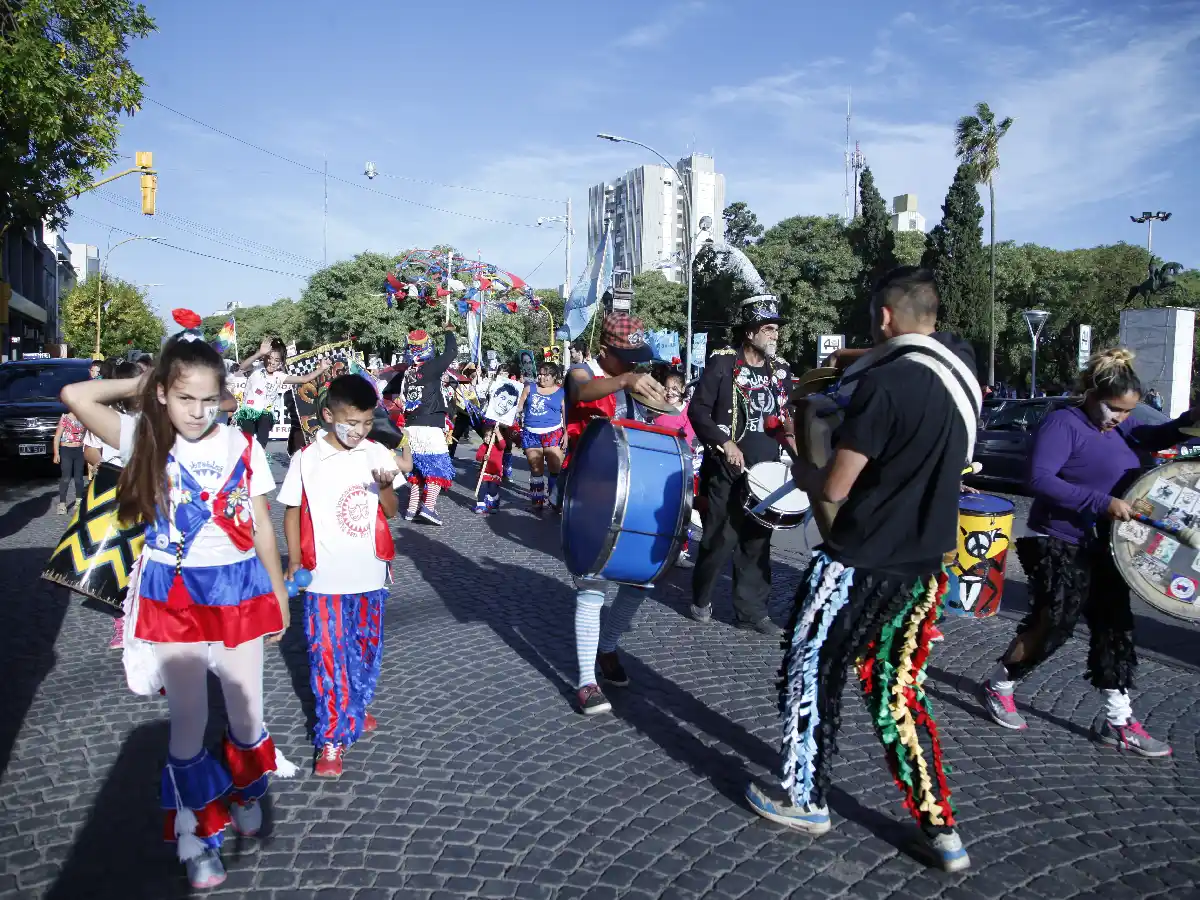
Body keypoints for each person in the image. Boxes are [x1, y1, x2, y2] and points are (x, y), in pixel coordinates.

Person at [744, 267, 980, 872]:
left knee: (810, 670)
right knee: (899, 695)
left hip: (857, 564)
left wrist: (801, 471)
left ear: (883, 317)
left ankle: (805, 798)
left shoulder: (889, 387)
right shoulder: (962, 381)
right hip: (923, 567)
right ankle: (941, 829)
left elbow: (838, 486)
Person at [60, 332, 292, 890]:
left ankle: (245, 790)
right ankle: (197, 836)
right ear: (163, 394)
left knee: (245, 714)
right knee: (189, 722)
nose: (197, 411)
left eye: (208, 399)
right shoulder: (143, 433)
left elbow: (260, 521)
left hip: (239, 586)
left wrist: (279, 591)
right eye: (185, 398)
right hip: (174, 591)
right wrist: (147, 383)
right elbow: (75, 395)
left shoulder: (243, 444)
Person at [979, 348, 1196, 757]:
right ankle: (1000, 683)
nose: (1120, 418)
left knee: (1115, 628)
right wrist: (1101, 502)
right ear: (1093, 394)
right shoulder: (1064, 422)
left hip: (1109, 545)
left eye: (1128, 412)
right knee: (1054, 621)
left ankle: (1119, 719)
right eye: (1114, 409)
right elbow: (1039, 479)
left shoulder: (1119, 427)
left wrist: (1187, 423)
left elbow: (1154, 437)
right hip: (1057, 540)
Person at [278, 375, 410, 777]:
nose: (359, 431)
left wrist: (386, 487)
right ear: (327, 416)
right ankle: (332, 737)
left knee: (366, 650)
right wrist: (294, 560)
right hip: (324, 581)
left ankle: (356, 703)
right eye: (350, 422)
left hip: (370, 576)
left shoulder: (376, 453)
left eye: (367, 423)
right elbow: (292, 511)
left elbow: (390, 513)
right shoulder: (306, 459)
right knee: (329, 656)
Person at [563, 312, 668, 714]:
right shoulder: (580, 370)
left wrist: (665, 406)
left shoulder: (632, 378)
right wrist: (624, 381)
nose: (634, 367)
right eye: (627, 359)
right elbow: (581, 393)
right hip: (588, 495)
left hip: (634, 491)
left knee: (640, 579)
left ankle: (608, 647)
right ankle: (586, 681)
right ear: (604, 351)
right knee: (592, 587)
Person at [688, 296, 794, 635]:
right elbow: (698, 411)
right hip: (726, 470)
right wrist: (725, 442)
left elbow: (786, 418)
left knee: (757, 541)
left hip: (766, 472)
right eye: (768, 329)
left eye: (776, 329)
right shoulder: (723, 364)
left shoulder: (781, 372)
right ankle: (701, 597)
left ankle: (752, 612)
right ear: (749, 333)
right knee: (720, 538)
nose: (775, 335)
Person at [82, 360, 143, 649]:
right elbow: (90, 450)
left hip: (147, 491)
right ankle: (121, 622)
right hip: (114, 490)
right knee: (118, 560)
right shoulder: (104, 415)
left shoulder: (154, 415)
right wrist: (111, 466)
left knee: (144, 558)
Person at [398, 324, 457, 525]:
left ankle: (412, 508)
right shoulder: (430, 369)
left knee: (416, 468)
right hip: (430, 426)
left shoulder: (408, 373)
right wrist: (449, 331)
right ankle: (429, 507)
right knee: (437, 468)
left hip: (411, 427)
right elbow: (451, 352)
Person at [234, 338, 328, 448]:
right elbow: (242, 367)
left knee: (263, 431)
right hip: (249, 411)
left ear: (281, 362)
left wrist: (321, 369)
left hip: (266, 413)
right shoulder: (256, 368)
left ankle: (260, 454)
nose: (272, 362)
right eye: (269, 358)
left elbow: (303, 379)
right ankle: (246, 457)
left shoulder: (279, 376)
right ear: (264, 357)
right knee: (247, 441)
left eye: (276, 360)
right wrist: (259, 353)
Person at [517, 362, 566, 509]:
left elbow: (566, 415)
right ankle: (537, 500)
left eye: (546, 375)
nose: (541, 377)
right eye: (540, 373)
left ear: (554, 377)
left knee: (555, 467)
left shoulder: (562, 392)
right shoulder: (529, 388)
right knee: (535, 468)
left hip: (554, 433)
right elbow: (519, 407)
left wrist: (567, 434)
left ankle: (555, 500)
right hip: (531, 433)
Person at [53, 409, 87, 515]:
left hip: (79, 451)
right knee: (66, 477)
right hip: (66, 450)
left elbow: (87, 435)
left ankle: (79, 501)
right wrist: (56, 453)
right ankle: (62, 503)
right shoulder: (65, 418)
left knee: (78, 478)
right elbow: (57, 436)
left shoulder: (84, 417)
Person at [474, 422, 507, 514]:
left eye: (489, 436)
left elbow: (503, 444)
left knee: (493, 489)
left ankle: (495, 501)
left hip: (496, 473)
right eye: (485, 436)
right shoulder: (483, 446)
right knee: (482, 487)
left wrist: (497, 432)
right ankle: (480, 504)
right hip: (485, 471)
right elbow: (478, 457)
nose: (487, 438)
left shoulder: (498, 447)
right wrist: (483, 457)